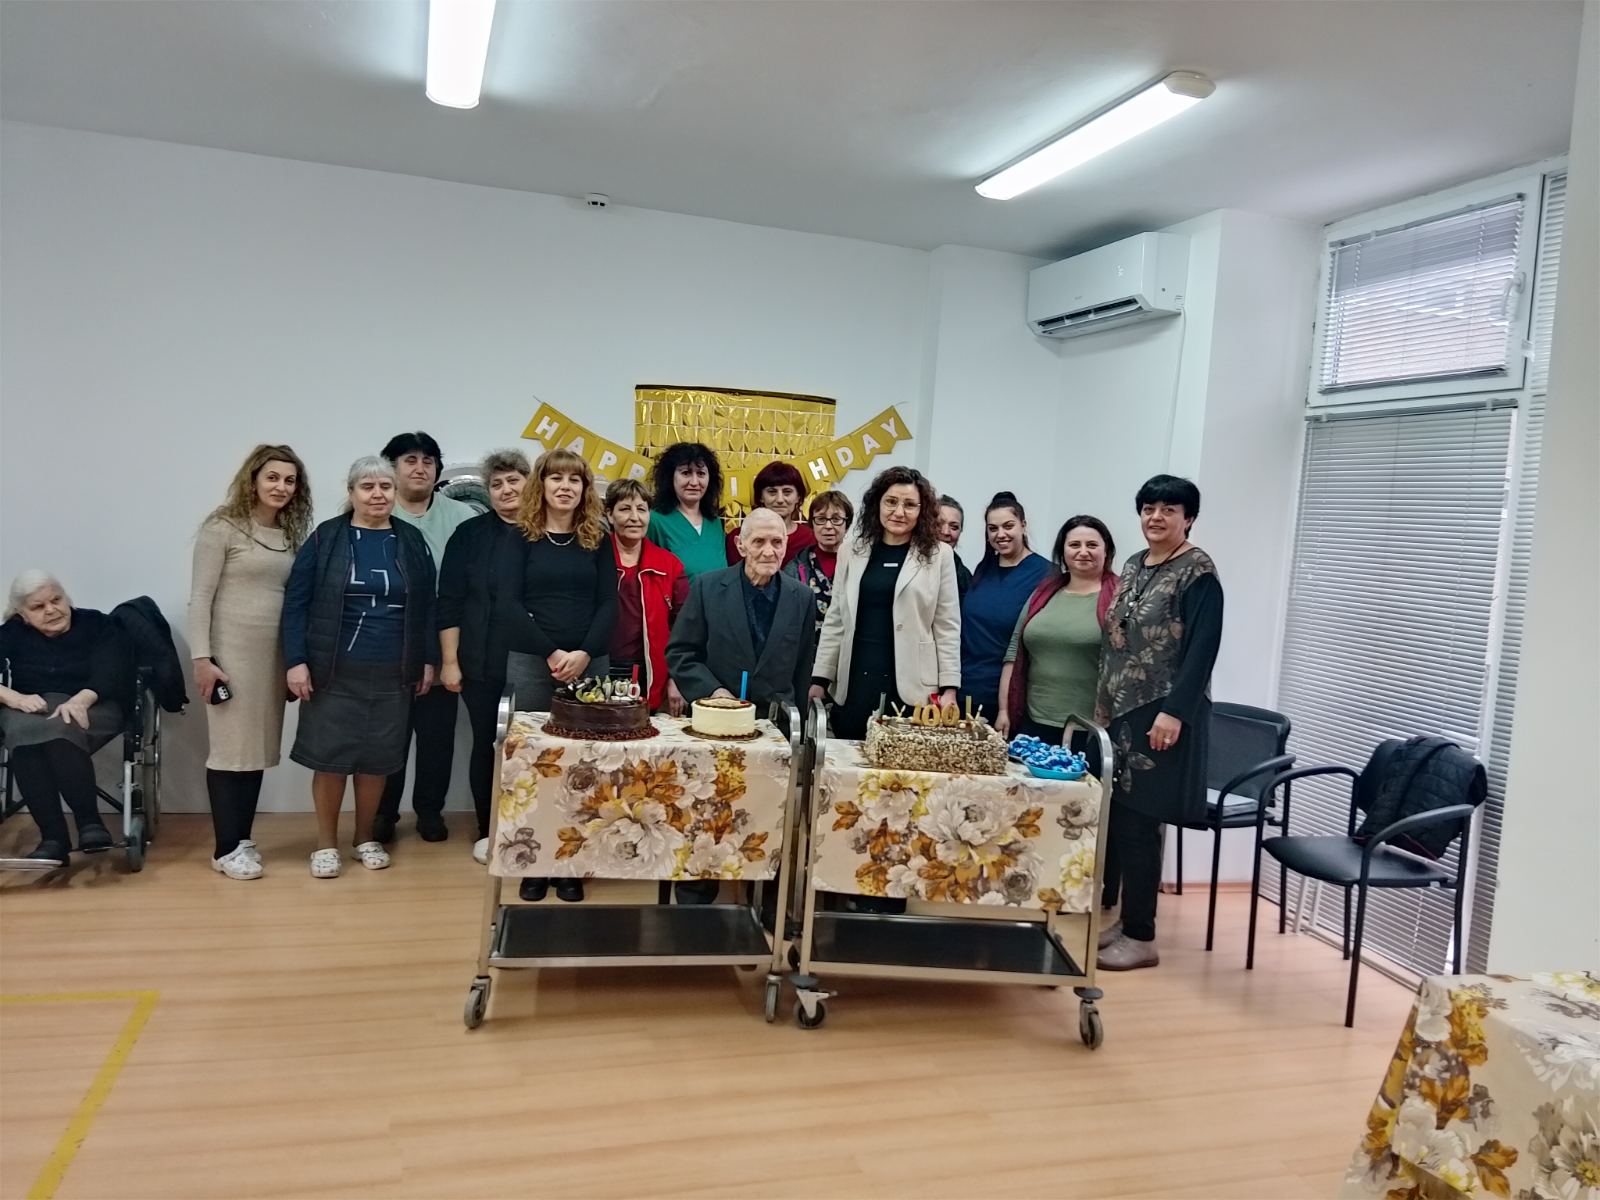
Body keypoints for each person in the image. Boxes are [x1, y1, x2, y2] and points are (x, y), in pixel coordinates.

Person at [283, 456, 438, 879]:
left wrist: (428, 659)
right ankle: (325, 844)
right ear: (351, 493)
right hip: (333, 670)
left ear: (395, 493)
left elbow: (427, 605)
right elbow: (296, 603)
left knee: (377, 761)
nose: (377, 495)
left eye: (385, 487)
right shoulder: (326, 538)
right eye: (367, 487)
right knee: (330, 760)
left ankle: (364, 838)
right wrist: (295, 661)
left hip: (393, 670)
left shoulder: (411, 540)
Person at [1095, 475, 1223, 972]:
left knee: (1142, 823)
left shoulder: (1198, 572)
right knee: (1124, 820)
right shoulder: (1134, 563)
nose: (1156, 517)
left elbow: (1202, 650)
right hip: (1123, 709)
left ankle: (1142, 936)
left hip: (1162, 712)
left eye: (1169, 509)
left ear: (1188, 518)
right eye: (1149, 508)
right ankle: (1130, 922)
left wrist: (1175, 712)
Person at [667, 508, 818, 905]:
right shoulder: (707, 587)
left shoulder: (802, 597)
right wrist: (713, 692)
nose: (769, 551)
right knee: (706, 811)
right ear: (740, 545)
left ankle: (768, 901)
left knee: (770, 816)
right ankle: (697, 892)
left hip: (775, 730)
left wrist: (799, 727)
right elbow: (681, 652)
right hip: (716, 725)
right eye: (759, 541)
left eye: (777, 542)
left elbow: (803, 667)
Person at [498, 448, 617, 905]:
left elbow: (608, 602)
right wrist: (551, 652)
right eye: (556, 478)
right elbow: (508, 603)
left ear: (585, 490)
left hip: (589, 664)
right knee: (531, 765)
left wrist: (584, 653)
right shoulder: (520, 537)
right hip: (532, 661)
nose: (565, 487)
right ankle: (533, 862)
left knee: (585, 766)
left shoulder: (597, 538)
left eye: (575, 480)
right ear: (541, 485)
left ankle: (571, 863)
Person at [188, 443, 313, 880]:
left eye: (290, 480)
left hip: (272, 658)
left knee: (254, 751)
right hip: (230, 656)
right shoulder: (222, 527)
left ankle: (241, 838)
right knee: (229, 751)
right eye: (272, 477)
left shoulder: (290, 534)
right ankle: (224, 849)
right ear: (253, 480)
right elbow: (200, 598)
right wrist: (202, 659)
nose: (281, 487)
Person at [375, 431, 479, 845]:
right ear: (391, 468)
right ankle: (383, 814)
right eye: (410, 460)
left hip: (445, 641)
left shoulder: (463, 517)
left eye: (428, 461)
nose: (420, 468)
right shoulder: (375, 510)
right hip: (387, 643)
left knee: (437, 736)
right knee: (388, 735)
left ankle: (430, 811)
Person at [811, 466, 960, 740]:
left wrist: (949, 688)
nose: (899, 512)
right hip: (856, 678)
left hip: (912, 687)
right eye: (891, 502)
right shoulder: (851, 551)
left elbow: (947, 626)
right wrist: (820, 679)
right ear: (877, 504)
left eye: (910, 505)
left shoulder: (940, 556)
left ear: (922, 510)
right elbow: (836, 618)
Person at [437, 449, 531, 866]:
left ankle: (530, 828)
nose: (506, 489)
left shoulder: (549, 532)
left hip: (537, 663)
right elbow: (450, 601)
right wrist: (450, 661)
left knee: (533, 747)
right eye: (496, 484)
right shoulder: (469, 535)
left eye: (514, 480)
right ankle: (488, 829)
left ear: (530, 483)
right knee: (488, 744)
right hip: (479, 660)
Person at [0, 572, 129, 862]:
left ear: (66, 597)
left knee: (62, 727)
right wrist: (14, 698)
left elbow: (114, 670)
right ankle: (53, 839)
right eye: (38, 607)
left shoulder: (97, 624)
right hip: (31, 708)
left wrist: (82, 699)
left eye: (56, 600)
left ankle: (88, 823)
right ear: (22, 614)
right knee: (23, 735)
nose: (51, 610)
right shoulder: (12, 632)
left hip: (95, 704)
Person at [996, 516, 1119, 743]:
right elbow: (1014, 651)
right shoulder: (1043, 593)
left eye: (1092, 545)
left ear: (1107, 551)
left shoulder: (1120, 597)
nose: (1083, 552)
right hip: (1033, 723)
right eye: (1074, 545)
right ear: (1062, 552)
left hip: (1091, 729)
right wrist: (1004, 710)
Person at [960, 492, 1051, 726]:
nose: (1000, 534)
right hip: (966, 688)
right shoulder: (983, 569)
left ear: (1023, 525)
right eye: (993, 529)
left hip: (1009, 697)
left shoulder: (1046, 574)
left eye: (1008, 526)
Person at [605, 478, 689, 715]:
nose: (635, 517)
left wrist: (675, 677)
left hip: (651, 675)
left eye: (641, 509)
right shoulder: (593, 557)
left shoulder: (670, 565)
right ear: (609, 515)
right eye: (625, 509)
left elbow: (685, 629)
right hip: (597, 667)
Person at [646, 442, 728, 578]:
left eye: (701, 473)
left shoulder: (714, 522)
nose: (694, 482)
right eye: (686, 473)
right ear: (670, 477)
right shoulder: (655, 521)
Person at [725, 460, 816, 566]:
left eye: (787, 492)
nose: (780, 499)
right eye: (772, 492)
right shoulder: (739, 537)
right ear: (761, 497)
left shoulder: (810, 538)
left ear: (798, 497)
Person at [786, 489, 852, 633]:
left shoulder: (860, 565)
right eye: (821, 519)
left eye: (836, 519)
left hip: (848, 643)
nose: (828, 526)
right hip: (807, 645)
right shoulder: (794, 569)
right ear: (812, 524)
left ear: (846, 525)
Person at [936, 495, 973, 602]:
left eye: (954, 527)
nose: (946, 532)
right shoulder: (908, 562)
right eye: (938, 524)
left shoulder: (965, 578)